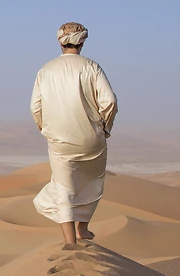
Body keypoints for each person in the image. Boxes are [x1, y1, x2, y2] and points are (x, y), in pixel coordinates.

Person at [30, 22, 118, 244]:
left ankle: (70, 242)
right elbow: (110, 102)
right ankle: (84, 228)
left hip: (60, 140)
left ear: (60, 42)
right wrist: (104, 127)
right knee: (92, 180)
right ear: (82, 42)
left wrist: (45, 128)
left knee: (63, 187)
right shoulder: (92, 67)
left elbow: (35, 107)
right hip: (92, 138)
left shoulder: (46, 70)